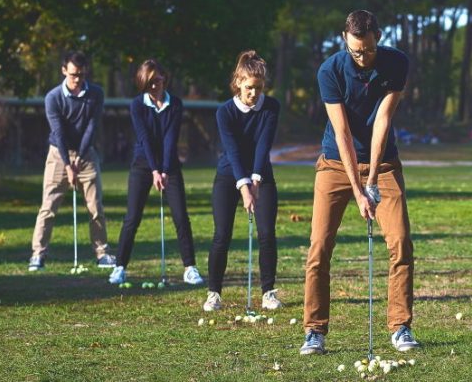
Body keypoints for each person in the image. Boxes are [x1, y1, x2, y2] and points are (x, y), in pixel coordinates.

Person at [300, 10, 419, 355]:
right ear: (344, 40)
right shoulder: (330, 70)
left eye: (367, 50)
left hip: (383, 164)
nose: (363, 57)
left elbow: (382, 122)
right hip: (335, 163)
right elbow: (342, 133)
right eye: (356, 51)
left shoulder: (396, 63)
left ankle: (400, 327)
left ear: (378, 37)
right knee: (319, 246)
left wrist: (372, 180)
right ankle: (314, 331)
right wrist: (357, 189)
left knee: (400, 242)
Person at [108, 59, 203, 286]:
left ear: (164, 79)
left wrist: (166, 169)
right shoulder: (137, 105)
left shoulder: (176, 104)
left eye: (157, 81)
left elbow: (171, 138)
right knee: (132, 217)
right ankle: (120, 266)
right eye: (149, 82)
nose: (154, 86)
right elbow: (145, 139)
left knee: (181, 216)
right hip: (143, 164)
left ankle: (190, 267)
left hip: (170, 165)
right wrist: (154, 170)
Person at [202, 51, 282, 312]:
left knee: (267, 234)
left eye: (259, 88)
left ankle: (268, 292)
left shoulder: (271, 107)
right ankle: (214, 293)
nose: (255, 93)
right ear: (238, 82)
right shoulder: (224, 112)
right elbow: (233, 151)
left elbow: (263, 145)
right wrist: (244, 186)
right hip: (229, 175)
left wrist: (256, 182)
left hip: (262, 174)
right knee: (221, 235)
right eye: (249, 87)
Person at [28, 51, 115, 271]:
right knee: (48, 207)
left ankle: (102, 253)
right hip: (58, 154)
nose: (78, 79)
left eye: (82, 75)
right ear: (64, 70)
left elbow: (92, 129)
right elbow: (58, 133)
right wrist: (68, 164)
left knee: (96, 207)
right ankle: (38, 254)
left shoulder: (96, 94)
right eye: (74, 74)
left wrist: (79, 160)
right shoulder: (53, 97)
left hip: (86, 154)